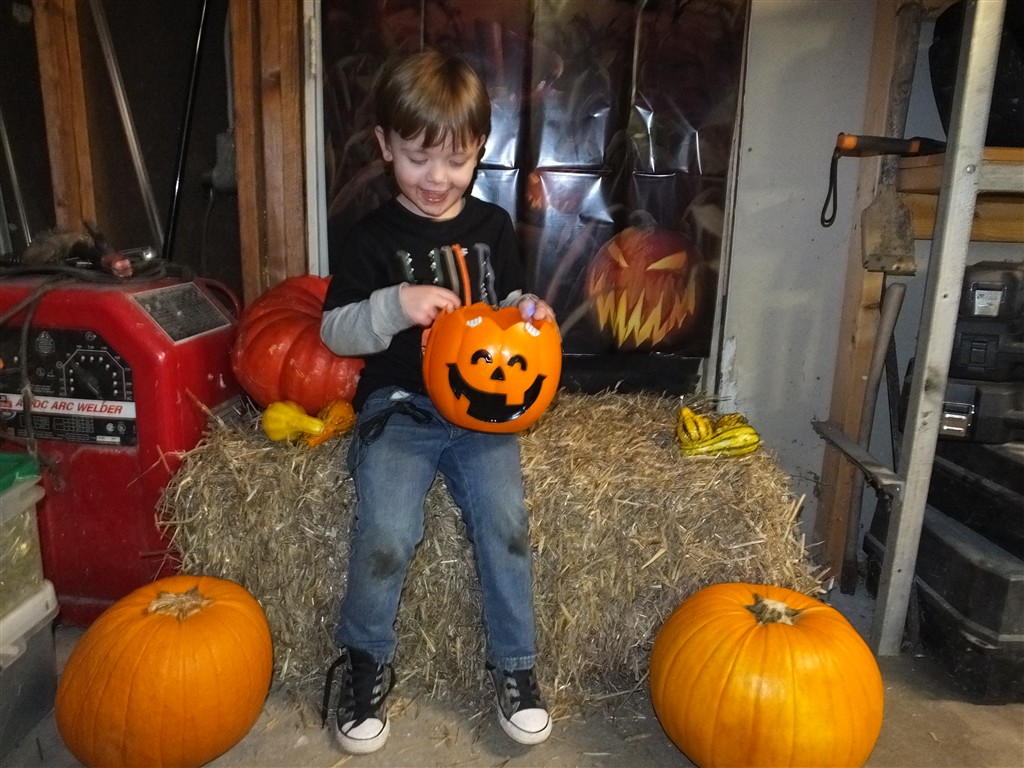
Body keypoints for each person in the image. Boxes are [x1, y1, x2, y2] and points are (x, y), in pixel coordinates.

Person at [319, 49, 555, 755]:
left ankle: (516, 667)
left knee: (506, 525)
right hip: (400, 408)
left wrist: (530, 310)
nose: (436, 178)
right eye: (418, 158)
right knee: (388, 530)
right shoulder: (371, 238)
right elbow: (334, 329)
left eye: (455, 160)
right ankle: (364, 662)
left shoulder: (492, 227)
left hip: (483, 414)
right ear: (386, 145)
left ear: (479, 150)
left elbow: (509, 302)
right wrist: (395, 304)